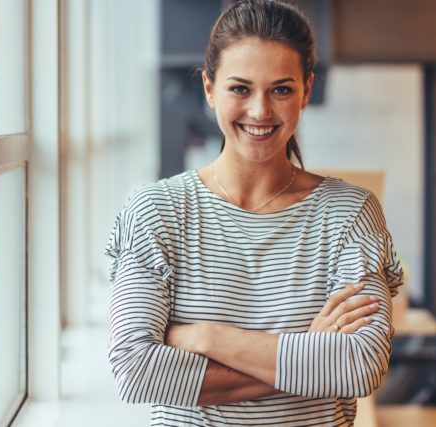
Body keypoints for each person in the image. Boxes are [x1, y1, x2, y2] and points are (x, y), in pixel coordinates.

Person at [105, 0, 403, 425]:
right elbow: (135, 371)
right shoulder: (157, 211)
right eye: (240, 88)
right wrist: (308, 353)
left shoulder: (349, 213)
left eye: (281, 88)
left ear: (306, 90)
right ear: (209, 89)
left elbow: (359, 364)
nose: (260, 111)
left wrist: (206, 337)